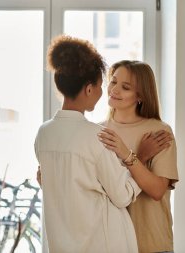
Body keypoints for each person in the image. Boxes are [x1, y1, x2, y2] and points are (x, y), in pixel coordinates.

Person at [34, 35, 141, 253]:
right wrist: (142, 158)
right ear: (89, 89)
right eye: (102, 86)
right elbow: (122, 196)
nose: (105, 92)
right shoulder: (97, 137)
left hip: (62, 244)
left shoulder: (43, 134)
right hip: (103, 244)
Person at [98, 60, 179, 253]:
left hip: (152, 243)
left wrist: (126, 153)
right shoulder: (99, 131)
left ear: (140, 96)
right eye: (113, 82)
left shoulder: (158, 131)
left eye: (125, 87)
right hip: (111, 244)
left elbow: (157, 191)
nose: (115, 90)